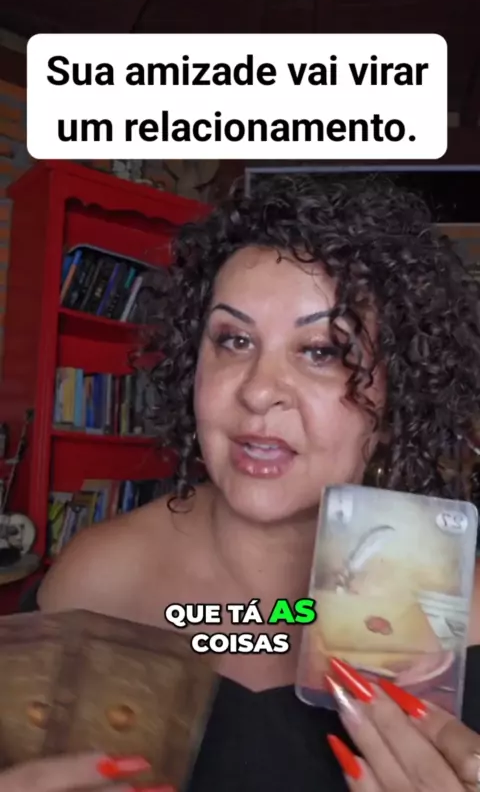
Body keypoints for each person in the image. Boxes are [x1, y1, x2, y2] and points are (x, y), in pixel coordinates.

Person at [6, 175, 480, 791]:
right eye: (234, 340)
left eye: (322, 350)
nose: (258, 390)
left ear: (396, 391)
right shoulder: (95, 579)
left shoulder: (464, 609)